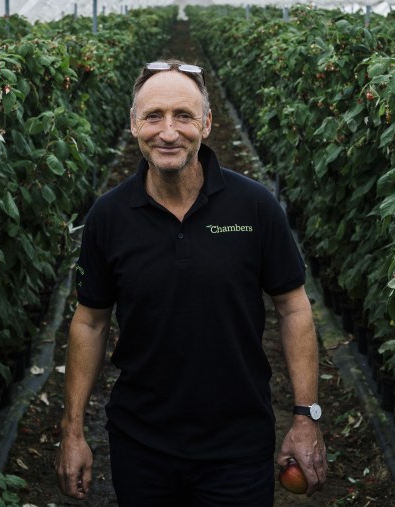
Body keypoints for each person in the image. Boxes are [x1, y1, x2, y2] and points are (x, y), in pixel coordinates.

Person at [55, 59, 327, 506]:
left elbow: (293, 308)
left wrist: (305, 416)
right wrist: (73, 430)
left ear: (207, 122)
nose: (167, 132)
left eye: (183, 116)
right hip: (141, 442)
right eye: (153, 116)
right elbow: (91, 322)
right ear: (133, 124)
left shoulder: (254, 207)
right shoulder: (109, 215)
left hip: (238, 443)